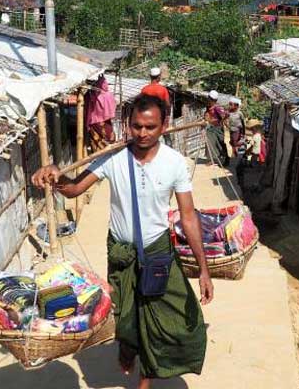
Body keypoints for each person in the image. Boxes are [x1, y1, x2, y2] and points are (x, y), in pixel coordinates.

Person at [31, 95, 213, 389]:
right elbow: (75, 189)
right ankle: (128, 349)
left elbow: (189, 217)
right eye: (137, 126)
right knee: (126, 315)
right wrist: (56, 176)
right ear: (128, 125)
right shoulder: (113, 157)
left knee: (162, 319)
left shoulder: (175, 164)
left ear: (163, 126)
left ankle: (146, 377)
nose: (143, 133)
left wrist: (203, 270)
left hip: (157, 252)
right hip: (121, 252)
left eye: (150, 127)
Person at [85, 75, 117, 151]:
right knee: (110, 139)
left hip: (94, 122)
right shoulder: (109, 95)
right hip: (105, 122)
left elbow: (88, 109)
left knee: (97, 142)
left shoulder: (91, 95)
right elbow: (113, 106)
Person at [204, 90, 229, 166]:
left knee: (220, 144)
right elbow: (207, 115)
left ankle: (226, 158)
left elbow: (223, 116)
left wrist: (221, 121)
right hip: (211, 128)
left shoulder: (218, 108)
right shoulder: (209, 107)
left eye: (209, 98)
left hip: (218, 128)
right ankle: (211, 159)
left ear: (211, 99)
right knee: (210, 143)